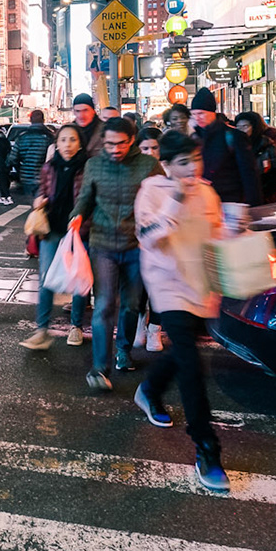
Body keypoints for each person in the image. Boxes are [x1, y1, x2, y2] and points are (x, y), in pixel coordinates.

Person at [129, 129, 230, 494]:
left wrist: (219, 282)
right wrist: (175, 199)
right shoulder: (152, 191)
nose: (192, 169)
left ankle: (150, 389)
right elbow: (149, 237)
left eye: (196, 160)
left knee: (182, 353)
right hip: (167, 284)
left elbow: (215, 237)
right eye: (183, 162)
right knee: (191, 364)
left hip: (199, 285)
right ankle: (207, 446)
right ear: (166, 164)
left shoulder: (207, 192)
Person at [69, 116, 162, 391]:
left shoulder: (149, 165)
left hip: (137, 247)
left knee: (132, 304)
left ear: (131, 141)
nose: (114, 149)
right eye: (109, 144)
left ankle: (123, 349)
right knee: (104, 304)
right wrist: (77, 216)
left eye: (120, 144)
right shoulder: (94, 164)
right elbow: (85, 198)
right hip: (103, 244)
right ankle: (99, 367)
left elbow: (162, 201)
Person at [22, 123, 90, 350]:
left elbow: (91, 198)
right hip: (52, 229)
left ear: (80, 143)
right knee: (46, 281)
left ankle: (76, 326)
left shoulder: (88, 166)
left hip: (80, 231)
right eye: (63, 140)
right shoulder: (50, 167)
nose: (67, 145)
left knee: (79, 279)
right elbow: (42, 190)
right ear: (57, 144)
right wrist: (39, 200)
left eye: (72, 140)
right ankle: (41, 330)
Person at [189, 88, 261, 205]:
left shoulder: (233, 136)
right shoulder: (194, 138)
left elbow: (249, 173)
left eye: (201, 113)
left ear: (212, 112)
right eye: (194, 114)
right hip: (203, 201)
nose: (197, 118)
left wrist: (254, 204)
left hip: (230, 201)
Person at [234, 111, 276, 204]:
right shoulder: (234, 146)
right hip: (240, 198)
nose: (241, 130)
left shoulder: (268, 145)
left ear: (254, 127)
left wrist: (261, 193)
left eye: (245, 127)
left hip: (265, 199)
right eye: (238, 127)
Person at [11, 109, 53, 202]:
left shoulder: (22, 137)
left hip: (26, 178)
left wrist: (20, 169)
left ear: (30, 120)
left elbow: (13, 158)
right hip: (45, 178)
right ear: (43, 120)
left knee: (34, 205)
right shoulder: (49, 137)